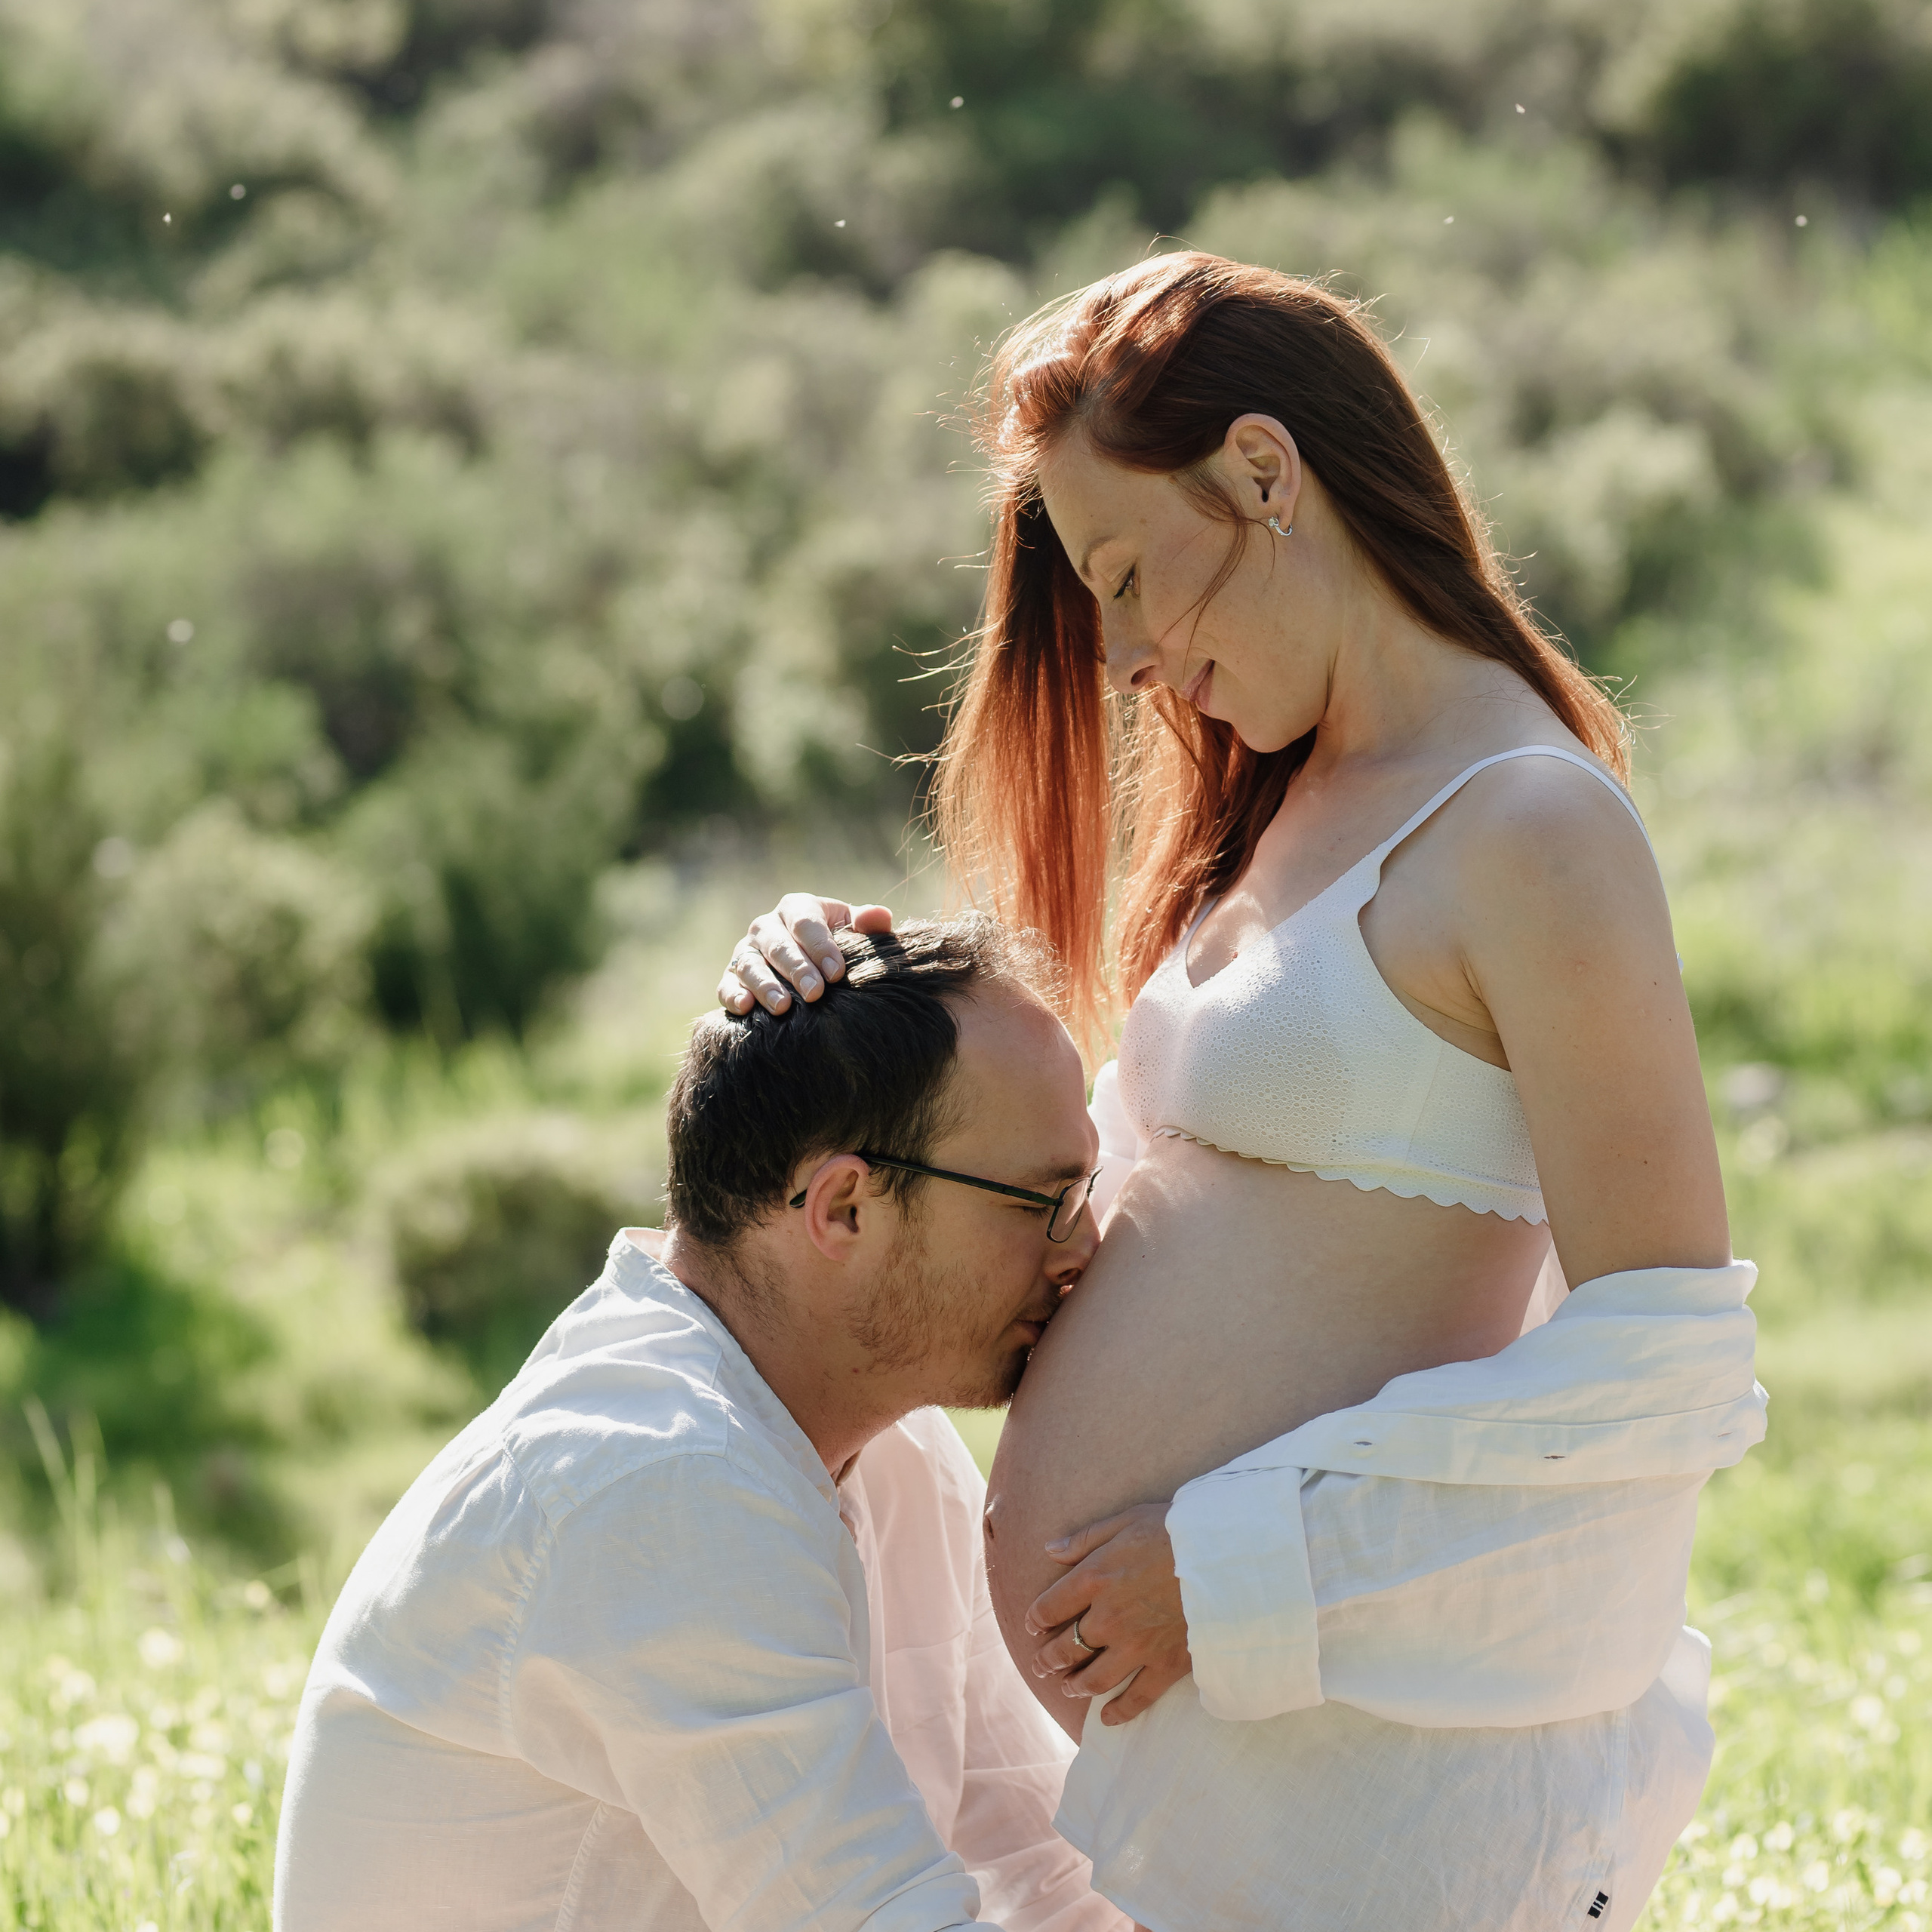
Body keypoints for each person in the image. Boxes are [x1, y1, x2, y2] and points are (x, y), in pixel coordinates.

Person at [715, 253, 1765, 1932]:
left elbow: (1662, 1362)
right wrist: (831, 983)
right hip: (1245, 1795)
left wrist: (1231, 1568)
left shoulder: (1528, 831)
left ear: (1264, 472)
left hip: (1381, 1805)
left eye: (1129, 576)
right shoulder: (1285, 809)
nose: (1122, 653)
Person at [275, 917, 1131, 1932]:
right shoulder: (665, 1477)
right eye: (1043, 1200)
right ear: (845, 1206)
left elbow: (1035, 1861)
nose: (1082, 1247)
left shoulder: (892, 1450)